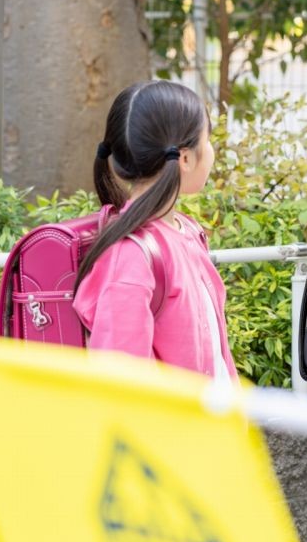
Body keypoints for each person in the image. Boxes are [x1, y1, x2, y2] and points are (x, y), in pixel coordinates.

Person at [73, 80, 236, 385]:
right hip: (173, 431)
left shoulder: (184, 230)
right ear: (185, 158)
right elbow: (121, 382)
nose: (212, 151)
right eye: (208, 139)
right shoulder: (131, 254)